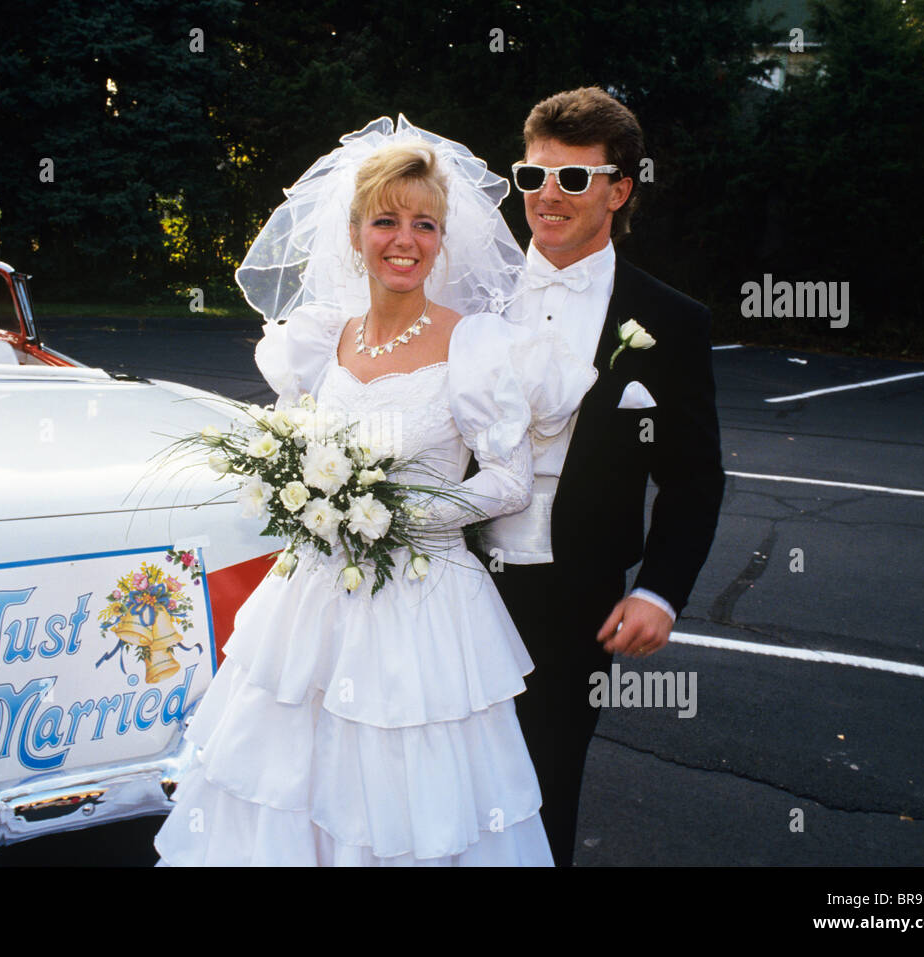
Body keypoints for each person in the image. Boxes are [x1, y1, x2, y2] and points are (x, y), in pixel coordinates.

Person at [152, 116, 597, 866]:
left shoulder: (475, 343)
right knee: (287, 783)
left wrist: (402, 517)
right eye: (386, 220)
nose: (405, 240)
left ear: (442, 239)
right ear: (356, 231)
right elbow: (294, 439)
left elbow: (511, 481)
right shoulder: (321, 337)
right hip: (312, 605)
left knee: (407, 799)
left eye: (424, 224)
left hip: (423, 608)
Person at [476, 88, 726, 863]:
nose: (548, 196)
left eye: (574, 180)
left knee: (543, 781)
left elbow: (693, 478)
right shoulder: (468, 295)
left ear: (620, 190)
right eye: (532, 176)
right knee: (440, 772)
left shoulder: (671, 320)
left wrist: (659, 589)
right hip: (453, 574)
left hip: (573, 593)